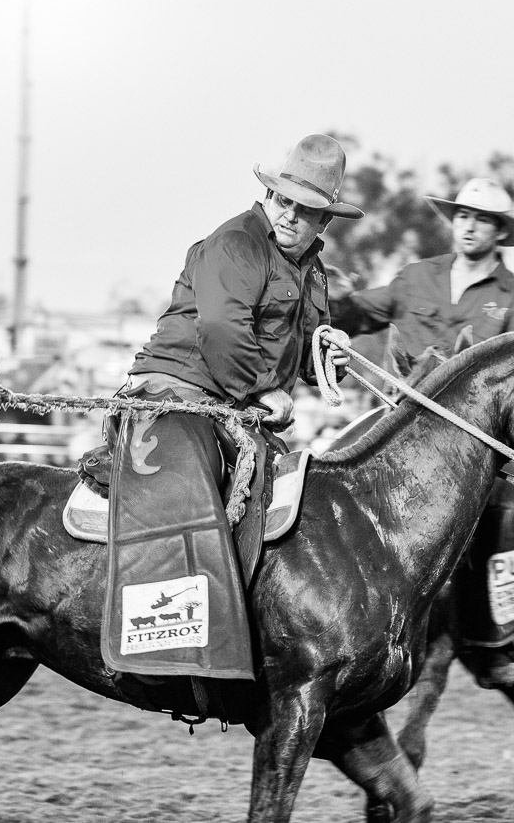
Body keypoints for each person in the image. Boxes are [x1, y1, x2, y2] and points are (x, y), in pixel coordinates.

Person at [97, 134, 361, 678]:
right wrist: (265, 388)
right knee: (199, 488)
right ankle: (176, 637)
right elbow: (221, 328)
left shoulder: (313, 273)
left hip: (232, 405)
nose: (289, 215)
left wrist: (330, 355)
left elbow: (307, 354)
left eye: (305, 209)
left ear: (324, 222)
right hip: (174, 391)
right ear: (269, 197)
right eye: (283, 200)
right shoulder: (236, 243)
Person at [328, 176, 514, 687]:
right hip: (398, 420)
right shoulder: (415, 277)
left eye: (482, 218)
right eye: (463, 215)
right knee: (330, 470)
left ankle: (492, 639)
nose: (469, 225)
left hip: (475, 446)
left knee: (505, 513)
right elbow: (361, 310)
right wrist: (328, 300)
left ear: (501, 231)